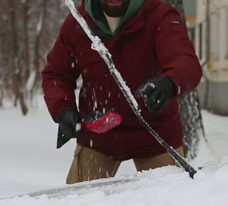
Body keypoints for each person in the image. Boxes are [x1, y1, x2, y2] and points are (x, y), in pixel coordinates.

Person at [42, 0, 202, 184]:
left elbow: (185, 62)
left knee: (168, 202)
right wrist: (63, 108)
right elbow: (56, 73)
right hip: (99, 134)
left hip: (155, 133)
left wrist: (169, 83)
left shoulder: (158, 15)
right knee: (77, 203)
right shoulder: (79, 23)